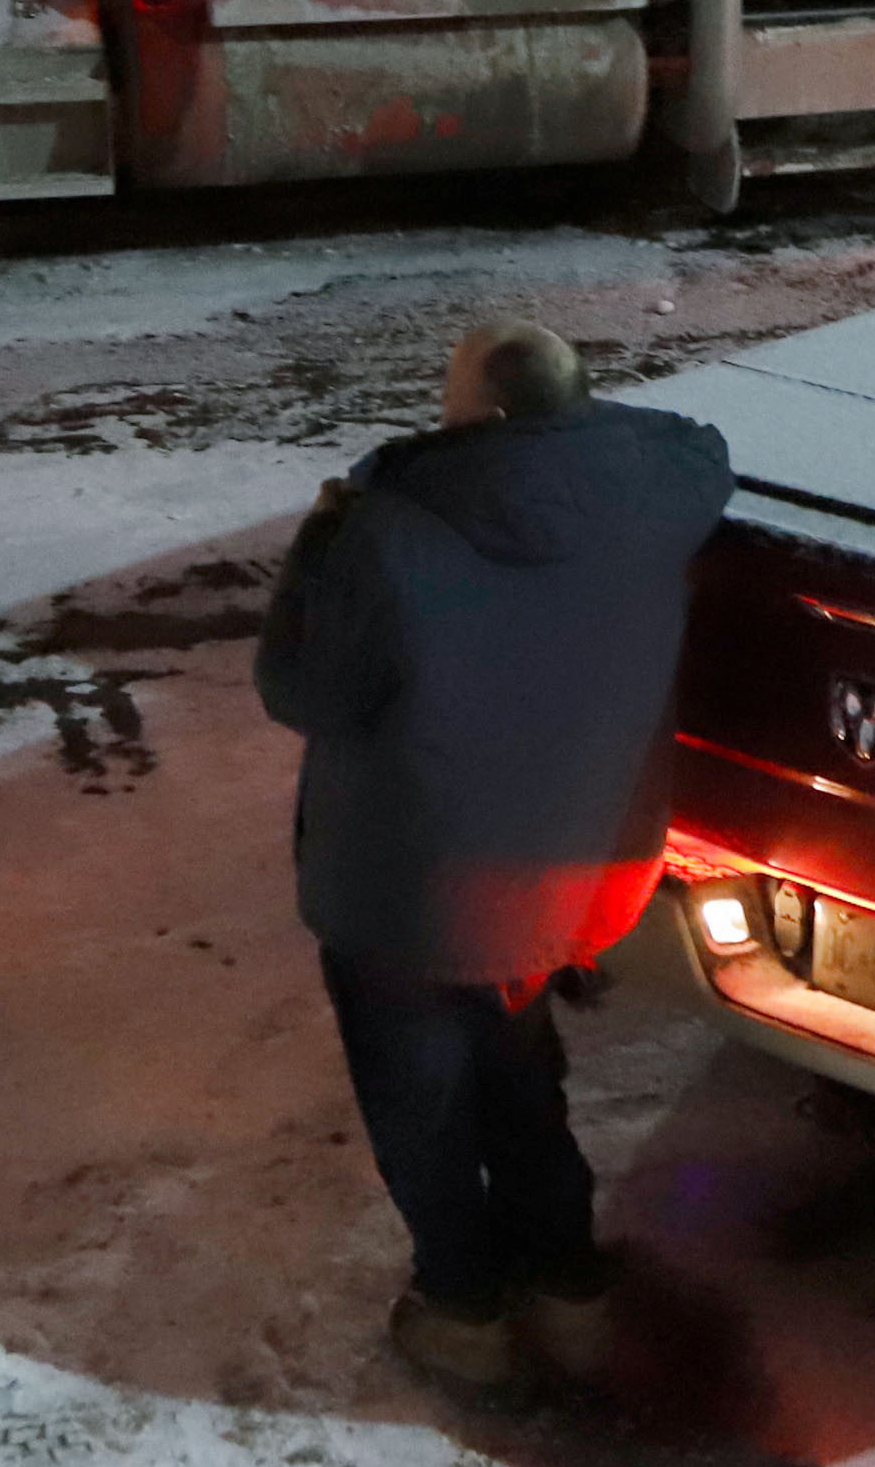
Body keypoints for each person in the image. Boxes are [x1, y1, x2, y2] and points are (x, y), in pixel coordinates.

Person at [255, 314, 734, 1396]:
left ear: (479, 414)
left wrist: (314, 551)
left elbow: (302, 691)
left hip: (414, 885)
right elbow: (698, 442)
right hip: (570, 866)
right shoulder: (663, 489)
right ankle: (568, 1285)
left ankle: (463, 1304)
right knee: (518, 1067)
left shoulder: (386, 527)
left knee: (422, 1097)